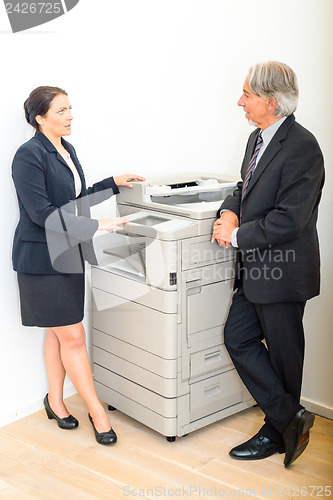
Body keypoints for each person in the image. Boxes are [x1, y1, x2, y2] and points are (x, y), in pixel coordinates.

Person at [12, 86, 145, 445]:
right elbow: (41, 214)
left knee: (57, 331)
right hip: (41, 258)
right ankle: (97, 411)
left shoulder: (65, 149)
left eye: (70, 108)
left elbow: (72, 201)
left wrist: (111, 184)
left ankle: (55, 400)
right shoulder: (28, 155)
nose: (70, 116)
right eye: (61, 111)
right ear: (40, 118)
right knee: (71, 334)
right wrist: (96, 225)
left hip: (67, 252)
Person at [211, 62, 324, 467]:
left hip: (285, 271)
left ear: (271, 102)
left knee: (283, 355)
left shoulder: (302, 147)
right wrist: (228, 213)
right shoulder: (257, 138)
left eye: (247, 95)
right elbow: (245, 187)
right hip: (257, 271)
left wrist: (236, 236)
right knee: (237, 338)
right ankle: (289, 419)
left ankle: (278, 431)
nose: (239, 101)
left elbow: (290, 219)